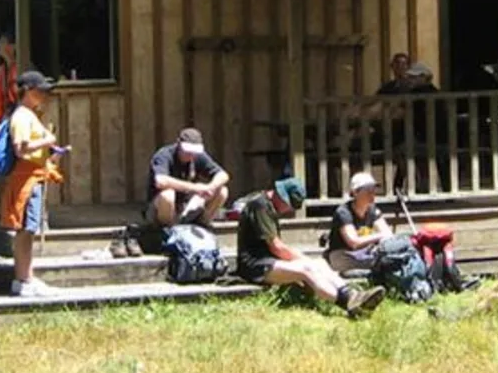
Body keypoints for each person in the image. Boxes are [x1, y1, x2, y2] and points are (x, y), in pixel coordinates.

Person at [233, 177, 384, 319]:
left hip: (269, 261)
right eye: (289, 204)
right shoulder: (260, 206)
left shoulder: (269, 206)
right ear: (281, 195)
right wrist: (304, 260)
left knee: (320, 263)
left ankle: (352, 293)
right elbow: (276, 247)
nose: (288, 210)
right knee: (306, 269)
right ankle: (348, 303)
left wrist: (308, 260)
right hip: (255, 265)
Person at [2, 69, 68, 296]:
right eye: (41, 91)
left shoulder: (30, 114)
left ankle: (26, 277)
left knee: (29, 229)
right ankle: (24, 279)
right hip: (26, 179)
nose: (45, 96)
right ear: (28, 91)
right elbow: (20, 149)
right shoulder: (21, 116)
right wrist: (47, 140)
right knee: (25, 230)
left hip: (36, 175)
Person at [148, 127, 231, 226]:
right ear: (178, 144)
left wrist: (210, 187)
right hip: (160, 209)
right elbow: (161, 181)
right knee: (168, 195)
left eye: (194, 152)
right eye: (187, 151)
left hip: (186, 206)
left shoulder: (198, 156)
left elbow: (223, 174)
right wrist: (196, 188)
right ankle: (167, 231)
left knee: (222, 191)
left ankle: (202, 225)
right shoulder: (164, 155)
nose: (191, 155)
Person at [324, 171, 393, 274]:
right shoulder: (343, 212)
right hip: (344, 254)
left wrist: (381, 236)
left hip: (365, 253)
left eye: (373, 190)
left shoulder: (372, 210)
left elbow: (388, 235)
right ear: (355, 192)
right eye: (368, 190)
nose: (372, 193)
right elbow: (354, 242)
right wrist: (379, 235)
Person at [0, 31, 18, 121]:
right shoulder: (1, 70)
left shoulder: (22, 66)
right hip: (6, 116)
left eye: (2, 42)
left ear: (12, 46)